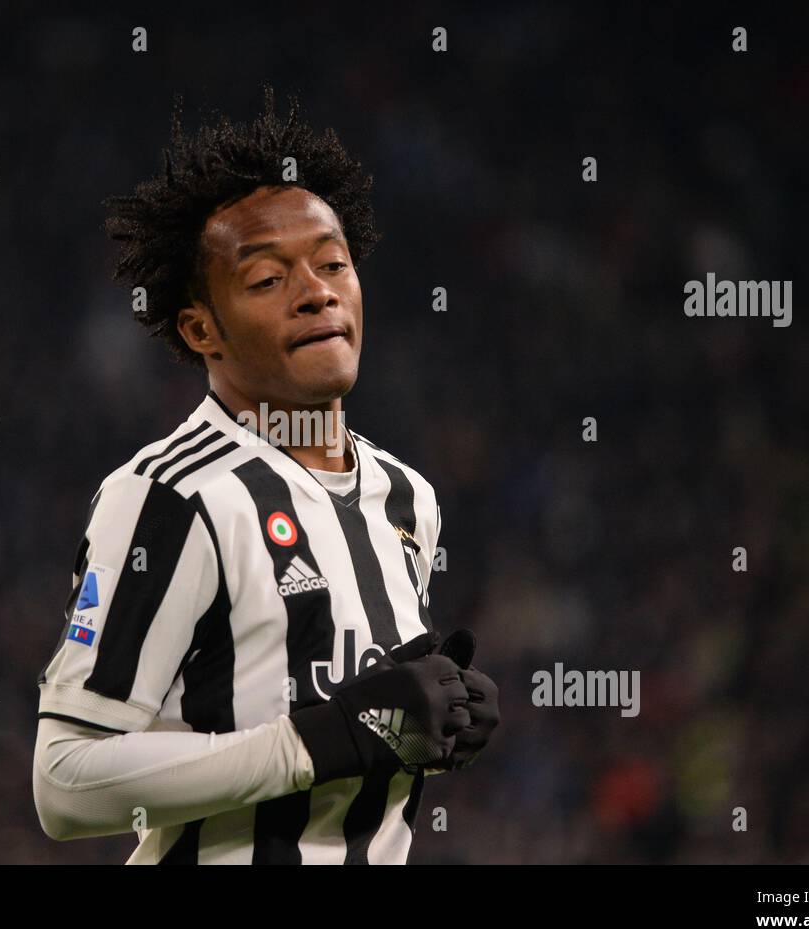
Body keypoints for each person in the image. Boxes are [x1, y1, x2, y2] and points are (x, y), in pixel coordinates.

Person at [32, 87, 500, 864]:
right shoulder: (171, 497)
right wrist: (321, 740)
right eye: (266, 280)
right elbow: (64, 784)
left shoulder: (407, 498)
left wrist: (435, 725)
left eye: (332, 264)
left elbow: (346, 721)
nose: (315, 292)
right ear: (200, 328)